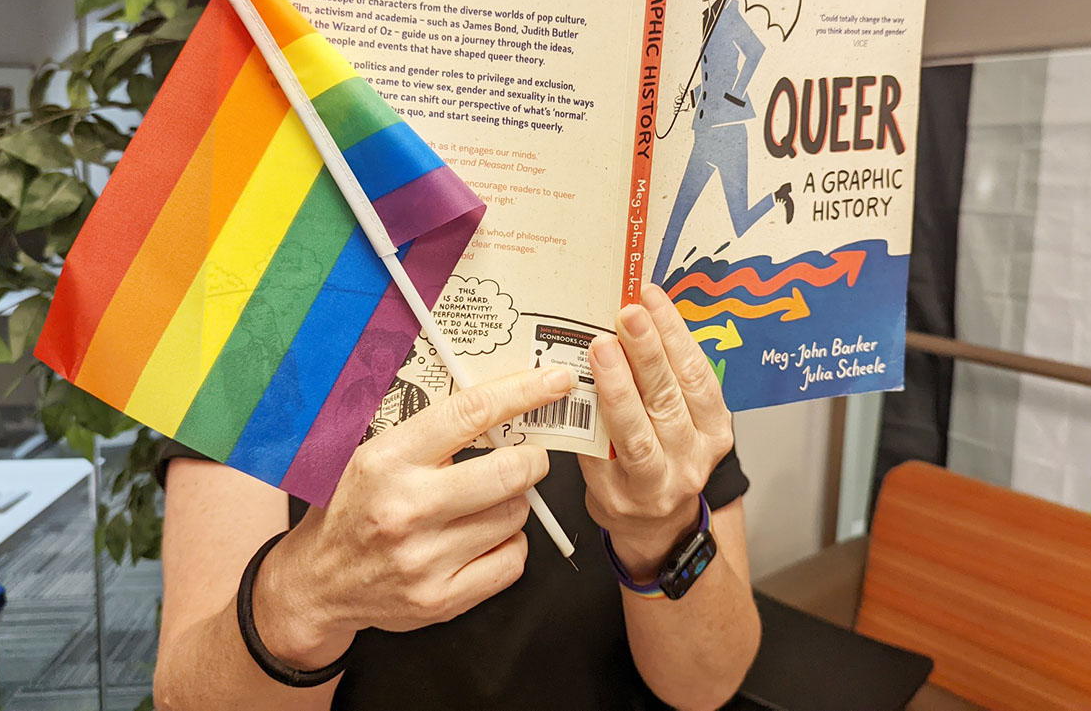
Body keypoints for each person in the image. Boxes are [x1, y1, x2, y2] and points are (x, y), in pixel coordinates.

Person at [152, 284, 761, 710]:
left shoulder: (645, 316)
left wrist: (665, 533)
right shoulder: (264, 320)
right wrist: (307, 598)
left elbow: (708, 684)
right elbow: (187, 696)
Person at [652, 0, 792, 287]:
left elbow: (755, 50)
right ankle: (651, 288)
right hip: (706, 130)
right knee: (676, 218)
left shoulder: (728, 15)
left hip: (729, 132)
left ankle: (776, 197)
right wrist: (692, 96)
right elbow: (717, 74)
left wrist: (736, 93)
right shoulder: (709, 18)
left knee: (739, 222)